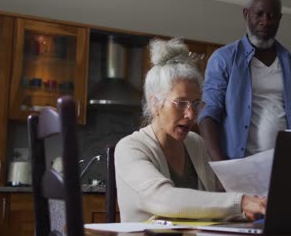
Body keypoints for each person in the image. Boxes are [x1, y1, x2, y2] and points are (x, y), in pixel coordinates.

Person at [114, 38, 266, 222]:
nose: (190, 114)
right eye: (181, 103)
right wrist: (240, 202)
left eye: (196, 104)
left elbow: (205, 209)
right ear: (155, 104)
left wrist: (244, 213)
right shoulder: (130, 148)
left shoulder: (196, 143)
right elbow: (162, 199)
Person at [199, 0, 291, 161]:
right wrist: (220, 168)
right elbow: (208, 115)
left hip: (284, 164)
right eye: (259, 14)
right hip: (239, 165)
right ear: (246, 14)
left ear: (279, 19)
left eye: (272, 16)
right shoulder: (224, 59)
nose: (265, 21)